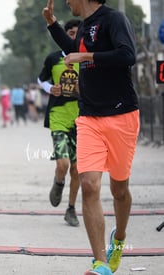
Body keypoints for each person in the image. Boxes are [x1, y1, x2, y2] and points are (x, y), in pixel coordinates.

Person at [42, 1, 140, 274]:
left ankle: (118, 240)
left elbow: (127, 55)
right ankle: (100, 264)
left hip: (122, 115)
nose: (66, 2)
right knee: (89, 184)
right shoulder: (84, 26)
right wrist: (53, 24)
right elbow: (76, 52)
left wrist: (86, 58)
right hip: (88, 118)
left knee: (119, 190)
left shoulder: (114, 19)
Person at [37, 19, 82, 227]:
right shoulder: (53, 59)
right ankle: (58, 182)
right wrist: (50, 88)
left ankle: (71, 209)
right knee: (63, 163)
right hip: (58, 116)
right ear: (64, 36)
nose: (74, 36)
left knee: (77, 168)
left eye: (77, 33)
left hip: (82, 118)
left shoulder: (87, 60)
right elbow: (41, 79)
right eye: (70, 33)